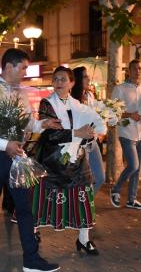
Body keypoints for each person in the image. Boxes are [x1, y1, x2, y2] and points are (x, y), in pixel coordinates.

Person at [0, 48, 62, 272]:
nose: (24, 72)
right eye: (23, 67)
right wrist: (5, 145)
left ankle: (31, 258)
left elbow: (28, 123)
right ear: (9, 66)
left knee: (24, 207)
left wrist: (43, 125)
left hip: (18, 156)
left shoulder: (21, 93)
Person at [34, 66, 107, 255]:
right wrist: (78, 133)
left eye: (63, 79)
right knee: (42, 201)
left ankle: (84, 240)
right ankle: (32, 233)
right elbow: (50, 134)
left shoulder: (80, 106)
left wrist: (93, 135)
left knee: (83, 199)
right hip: (51, 161)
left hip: (76, 160)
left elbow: (97, 125)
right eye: (55, 79)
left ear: (71, 83)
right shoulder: (46, 104)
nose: (58, 82)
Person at [110, 59, 141, 210]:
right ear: (128, 71)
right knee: (133, 165)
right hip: (126, 132)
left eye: (140, 68)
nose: (138, 71)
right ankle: (116, 190)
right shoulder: (120, 89)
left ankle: (132, 199)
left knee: (139, 168)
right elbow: (112, 112)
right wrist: (130, 114)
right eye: (135, 68)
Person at [71, 66, 105, 195]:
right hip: (80, 143)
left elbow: (95, 115)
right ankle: (82, 209)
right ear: (78, 79)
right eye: (85, 76)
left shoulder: (90, 95)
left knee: (100, 178)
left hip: (92, 141)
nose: (88, 78)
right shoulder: (72, 99)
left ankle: (85, 206)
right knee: (85, 180)